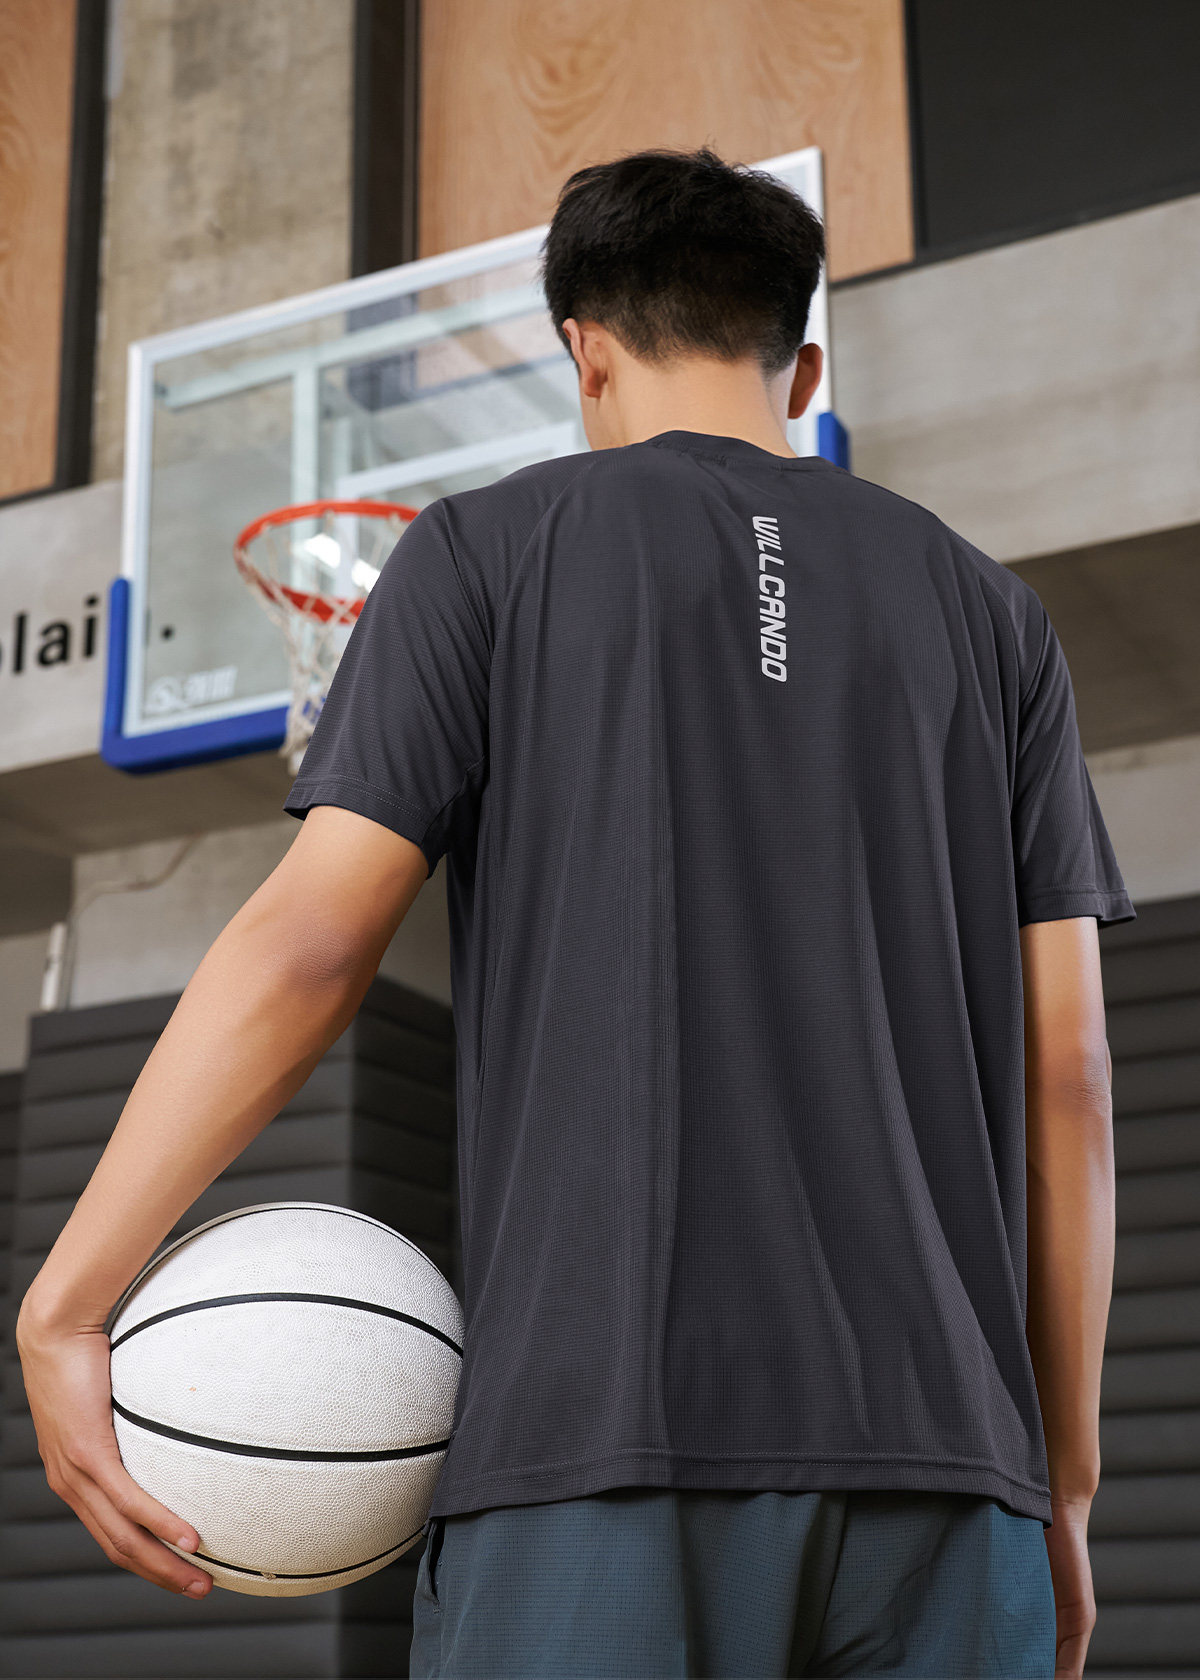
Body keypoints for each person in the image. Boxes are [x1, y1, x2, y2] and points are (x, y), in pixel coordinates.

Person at [17, 147, 1133, 1679]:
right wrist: (1063, 1481)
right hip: (953, 1473)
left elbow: (311, 941)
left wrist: (69, 1304)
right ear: (802, 369)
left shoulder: (483, 550)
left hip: (604, 1447)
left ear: (583, 353)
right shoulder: (999, 618)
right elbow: (1070, 1079)